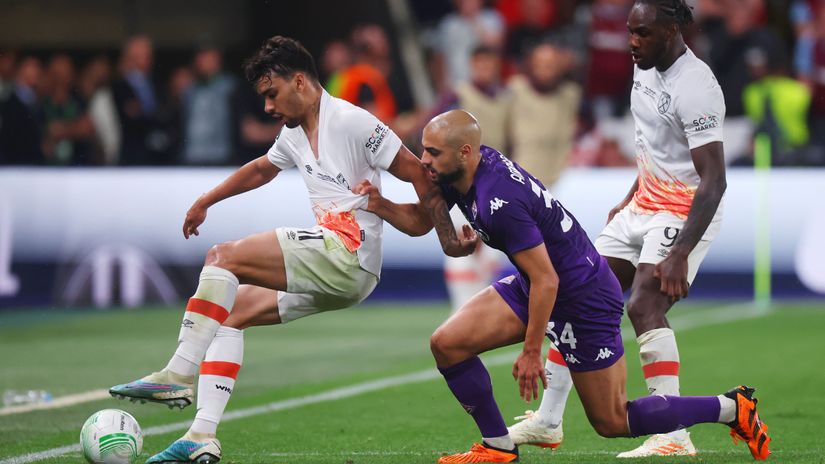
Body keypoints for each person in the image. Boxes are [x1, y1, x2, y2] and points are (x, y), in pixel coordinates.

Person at [108, 36, 474, 464]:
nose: (267, 107)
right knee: (229, 315)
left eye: (271, 93)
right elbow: (262, 169)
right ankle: (200, 436)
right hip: (339, 267)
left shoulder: (353, 121)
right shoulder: (294, 133)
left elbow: (420, 173)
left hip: (346, 252)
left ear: (300, 82)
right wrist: (207, 199)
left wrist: (446, 236)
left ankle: (178, 373)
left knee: (222, 258)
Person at [355, 109, 769, 463]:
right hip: (537, 281)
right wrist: (381, 205)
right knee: (447, 343)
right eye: (424, 148)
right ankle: (498, 447)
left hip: (583, 296)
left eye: (432, 152)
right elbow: (423, 218)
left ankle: (731, 408)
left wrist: (533, 351)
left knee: (612, 421)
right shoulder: (459, 171)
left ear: (465, 152)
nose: (423, 160)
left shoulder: (502, 199)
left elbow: (547, 279)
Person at [507, 0, 734, 457]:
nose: (632, 42)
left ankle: (673, 433)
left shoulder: (696, 86)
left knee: (645, 305)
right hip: (643, 203)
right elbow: (656, 146)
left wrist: (679, 252)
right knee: (575, 291)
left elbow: (714, 179)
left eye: (643, 33)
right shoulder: (644, 65)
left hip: (682, 210)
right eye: (631, 32)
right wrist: (631, 195)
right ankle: (548, 422)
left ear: (672, 31)